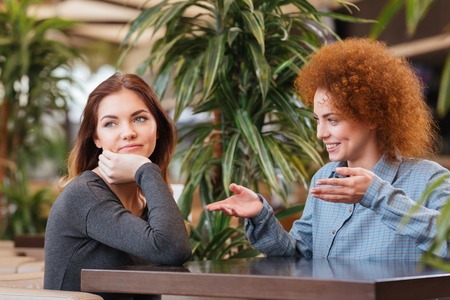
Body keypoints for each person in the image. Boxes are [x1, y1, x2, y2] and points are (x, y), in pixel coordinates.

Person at [206, 38, 450, 260]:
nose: (320, 133)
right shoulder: (324, 178)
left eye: (332, 120)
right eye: (317, 120)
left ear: (372, 116)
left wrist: (376, 195)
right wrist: (260, 215)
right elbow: (299, 254)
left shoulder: (429, 179)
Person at [44, 73, 191, 297]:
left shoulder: (147, 196)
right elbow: (172, 249)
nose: (128, 133)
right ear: (96, 138)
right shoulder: (84, 195)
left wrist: (146, 175)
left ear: (158, 128)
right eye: (110, 123)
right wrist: (145, 168)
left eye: (139, 119)